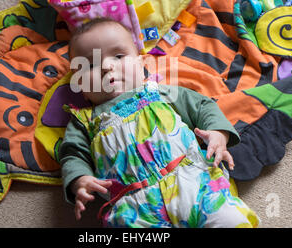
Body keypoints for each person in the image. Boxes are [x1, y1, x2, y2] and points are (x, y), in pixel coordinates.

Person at [59, 17, 259, 227]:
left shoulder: (160, 93)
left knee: (229, 220)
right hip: (133, 208)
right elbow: (72, 154)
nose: (107, 66)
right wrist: (79, 180)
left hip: (191, 181)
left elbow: (202, 106)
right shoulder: (84, 121)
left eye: (118, 56)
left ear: (140, 62)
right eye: (91, 64)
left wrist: (218, 133)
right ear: (79, 83)